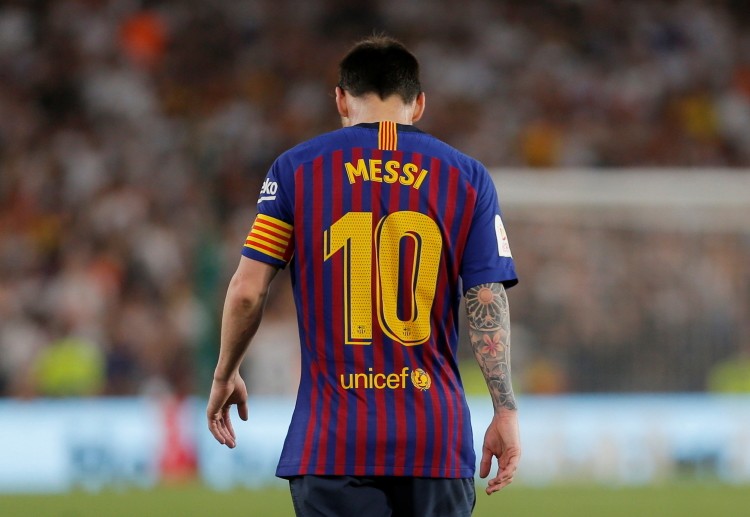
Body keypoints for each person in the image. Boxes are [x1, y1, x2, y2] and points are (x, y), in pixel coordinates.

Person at [207, 35, 520, 517]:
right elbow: (486, 299)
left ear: (340, 99)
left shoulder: (295, 169)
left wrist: (225, 373)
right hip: (434, 438)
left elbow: (248, 291)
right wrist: (505, 409)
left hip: (332, 439)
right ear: (419, 103)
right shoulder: (467, 176)